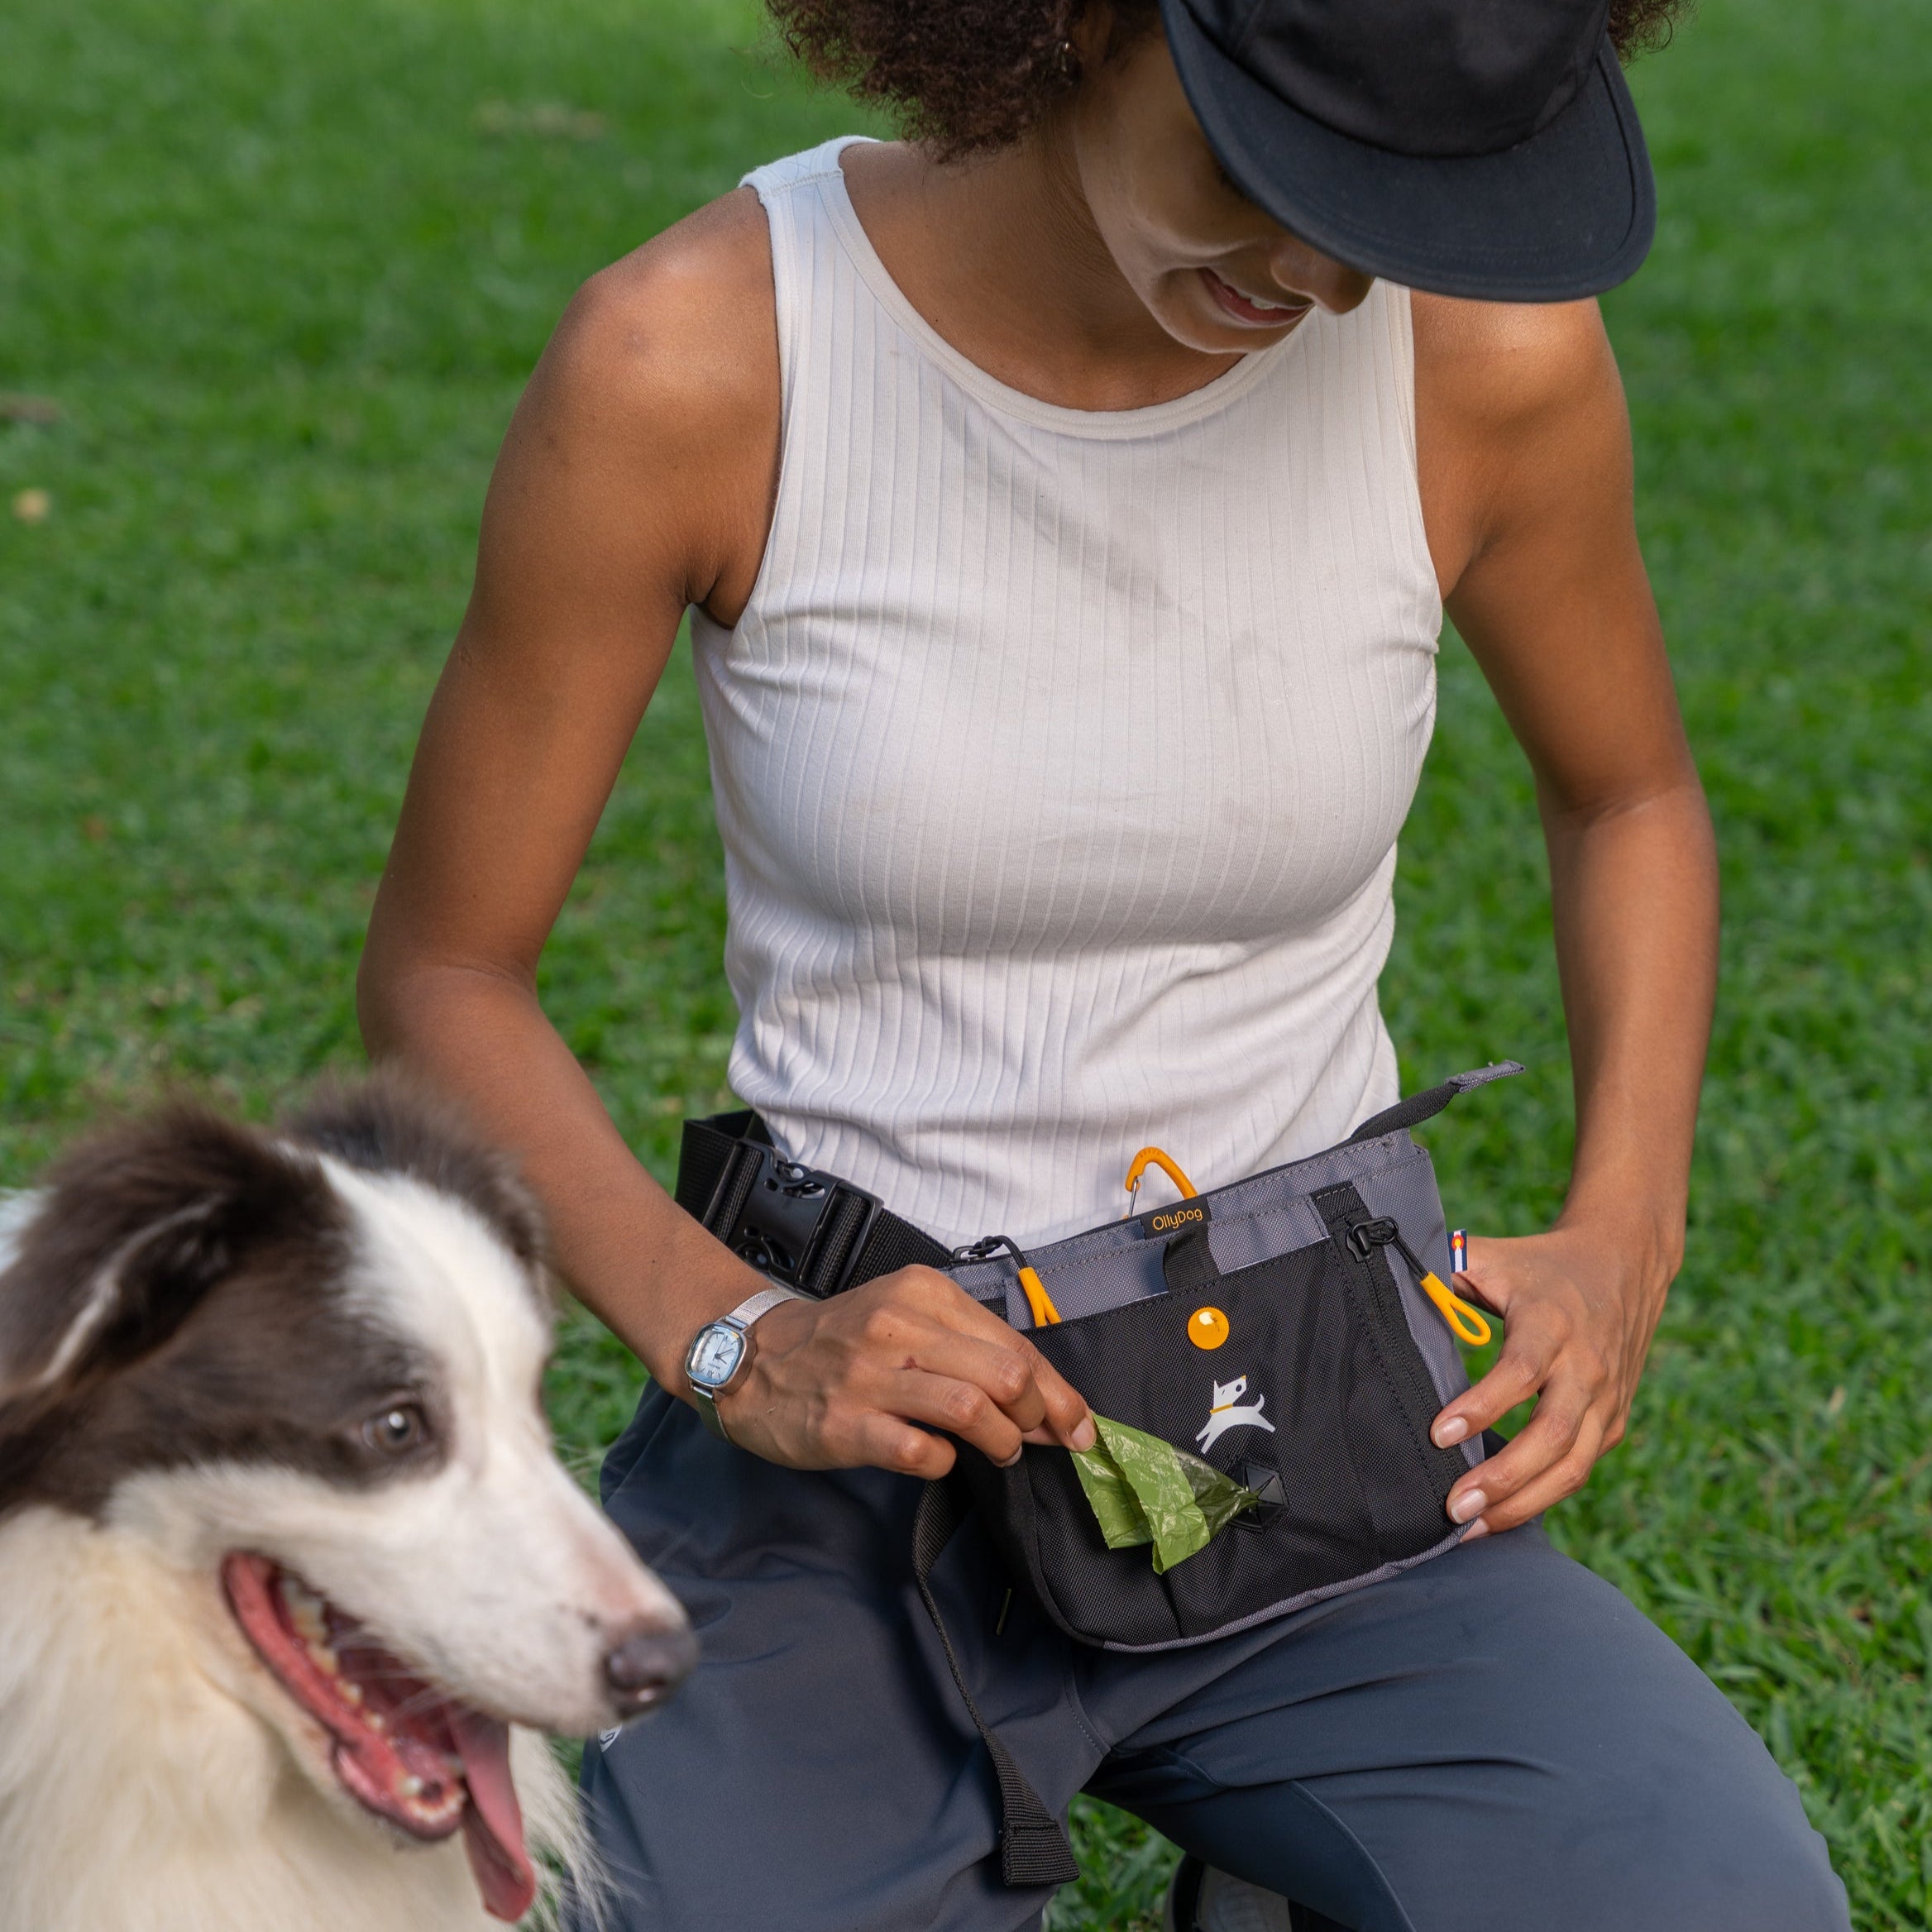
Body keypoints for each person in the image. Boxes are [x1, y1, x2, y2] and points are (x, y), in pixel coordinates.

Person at [358, 1, 1849, 1926]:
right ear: (1073, 19)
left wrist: (1625, 1227)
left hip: (1312, 1416)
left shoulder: (1478, 360)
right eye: (1267, 171)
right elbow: (443, 976)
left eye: (1386, 205)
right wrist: (737, 1338)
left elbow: (1629, 797)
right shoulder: (703, 355)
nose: (1317, 276)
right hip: (853, 1447)